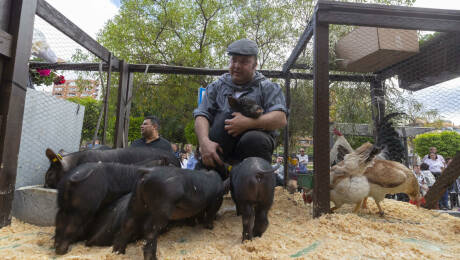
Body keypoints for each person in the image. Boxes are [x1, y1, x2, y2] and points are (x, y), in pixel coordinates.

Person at [193, 39, 287, 170]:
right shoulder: (216, 86)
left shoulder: (268, 87)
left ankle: (255, 182)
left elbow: (280, 119)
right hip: (221, 147)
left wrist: (249, 123)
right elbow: (201, 115)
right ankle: (208, 178)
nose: (236, 65)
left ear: (254, 65)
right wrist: (204, 142)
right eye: (234, 60)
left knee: (254, 139)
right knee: (223, 121)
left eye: (243, 62)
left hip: (253, 149)